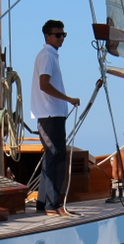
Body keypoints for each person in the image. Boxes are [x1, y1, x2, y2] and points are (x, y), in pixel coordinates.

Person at [30, 19, 80, 217]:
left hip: (54, 115)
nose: (61, 38)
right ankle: (53, 205)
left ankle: (44, 203)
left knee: (53, 158)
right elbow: (44, 84)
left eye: (63, 35)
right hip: (49, 115)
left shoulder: (50, 55)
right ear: (47, 36)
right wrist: (68, 98)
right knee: (56, 157)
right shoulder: (47, 56)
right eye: (58, 35)